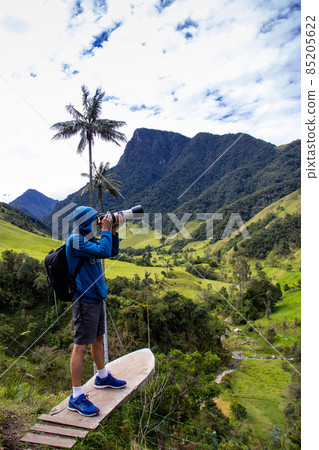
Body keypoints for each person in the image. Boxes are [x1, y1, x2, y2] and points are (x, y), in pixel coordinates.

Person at [66, 206, 126, 417]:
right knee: (80, 347)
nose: (98, 222)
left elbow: (110, 252)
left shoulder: (89, 239)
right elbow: (102, 251)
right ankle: (75, 396)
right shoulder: (76, 241)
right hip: (85, 301)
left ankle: (101, 376)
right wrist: (106, 229)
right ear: (86, 221)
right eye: (95, 219)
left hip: (97, 298)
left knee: (99, 338)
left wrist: (114, 231)